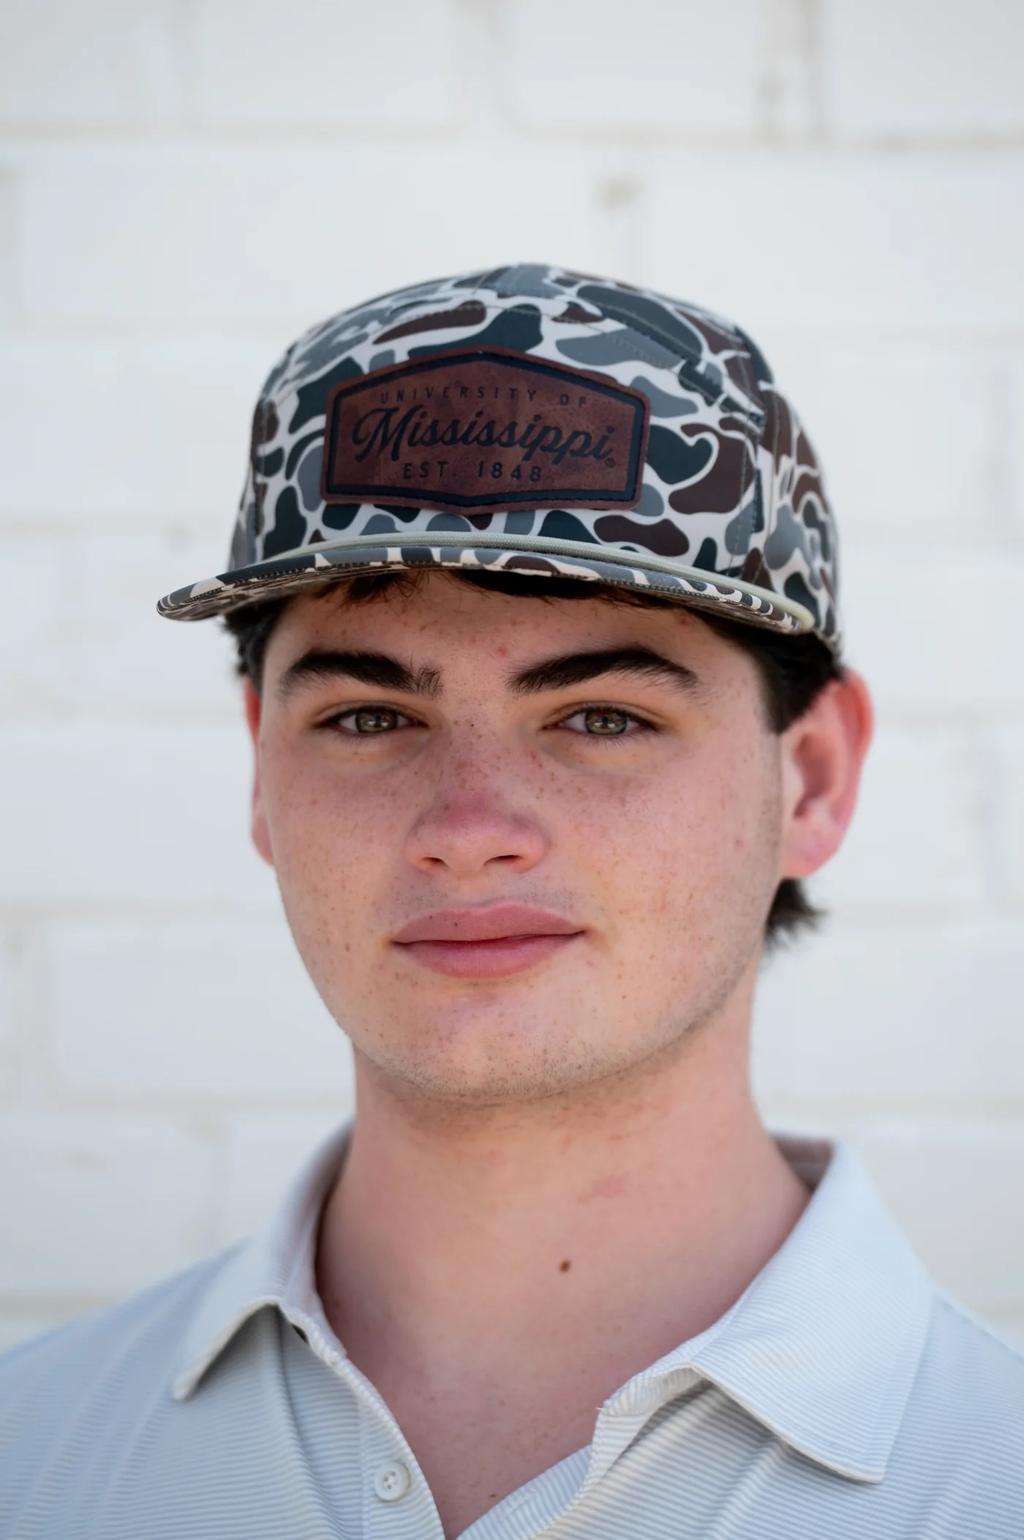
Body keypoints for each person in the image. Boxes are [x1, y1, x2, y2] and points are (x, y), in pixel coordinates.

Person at [2, 265, 1021, 1540]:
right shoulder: (34, 1455)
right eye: (370, 716)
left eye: (602, 716)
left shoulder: (990, 1481)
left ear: (808, 777)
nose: (470, 829)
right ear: (262, 765)